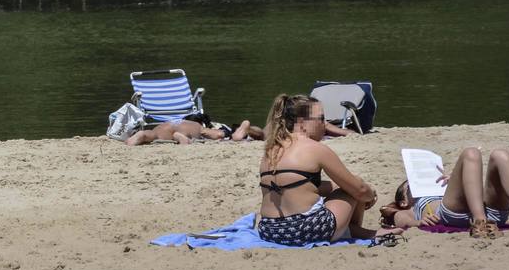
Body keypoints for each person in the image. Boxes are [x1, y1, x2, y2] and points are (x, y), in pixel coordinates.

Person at [255, 93, 392, 245]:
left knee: (342, 186)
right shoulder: (315, 148)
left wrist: (338, 186)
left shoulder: (271, 149)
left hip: (269, 230)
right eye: (320, 118)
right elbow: (359, 189)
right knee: (355, 186)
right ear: (301, 123)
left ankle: (354, 229)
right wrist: (369, 195)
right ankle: (358, 231)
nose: (325, 124)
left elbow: (300, 186)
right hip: (305, 230)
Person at [382, 147, 509, 237]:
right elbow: (398, 217)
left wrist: (455, 179)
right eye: (410, 185)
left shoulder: (444, 187)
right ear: (403, 201)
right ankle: (480, 222)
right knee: (470, 153)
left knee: (500, 155)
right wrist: (418, 222)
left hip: (488, 210)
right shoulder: (411, 207)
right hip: (453, 213)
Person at [123, 114, 261, 146]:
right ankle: (181, 138)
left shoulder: (174, 121)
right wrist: (223, 134)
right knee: (220, 135)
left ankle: (141, 135)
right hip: (185, 131)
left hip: (165, 127)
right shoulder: (196, 126)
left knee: (152, 134)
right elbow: (216, 134)